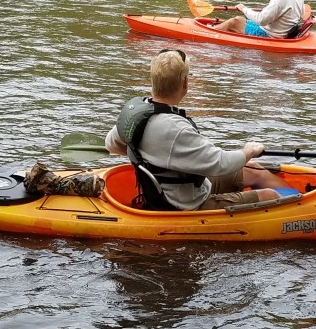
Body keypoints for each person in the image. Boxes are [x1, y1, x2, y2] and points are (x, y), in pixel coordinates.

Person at [105, 49, 294, 211]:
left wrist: (151, 156)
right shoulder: (175, 129)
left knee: (253, 169)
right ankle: (303, 210)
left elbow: (111, 145)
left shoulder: (135, 116)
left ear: (154, 81)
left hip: (179, 189)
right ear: (185, 83)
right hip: (186, 204)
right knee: (269, 195)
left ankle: (299, 199)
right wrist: (249, 151)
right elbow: (221, 163)